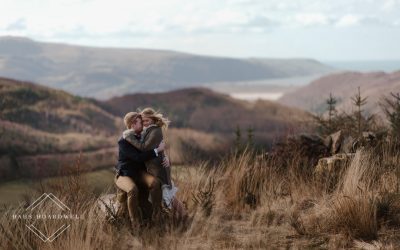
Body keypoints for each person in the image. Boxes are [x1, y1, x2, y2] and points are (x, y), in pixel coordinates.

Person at [123, 108, 187, 222]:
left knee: (168, 195)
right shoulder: (148, 130)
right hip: (154, 167)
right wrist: (162, 152)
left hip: (158, 168)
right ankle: (179, 217)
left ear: (153, 119)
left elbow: (145, 147)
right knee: (167, 195)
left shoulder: (155, 130)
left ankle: (182, 216)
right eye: (143, 121)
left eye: (147, 120)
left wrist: (128, 135)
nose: (145, 123)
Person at [115, 111, 167, 228]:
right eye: (140, 122)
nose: (143, 124)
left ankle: (157, 217)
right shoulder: (123, 141)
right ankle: (136, 224)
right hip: (125, 174)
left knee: (155, 183)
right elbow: (138, 157)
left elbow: (160, 145)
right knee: (132, 190)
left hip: (140, 173)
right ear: (133, 125)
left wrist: (165, 156)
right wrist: (157, 151)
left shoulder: (144, 136)